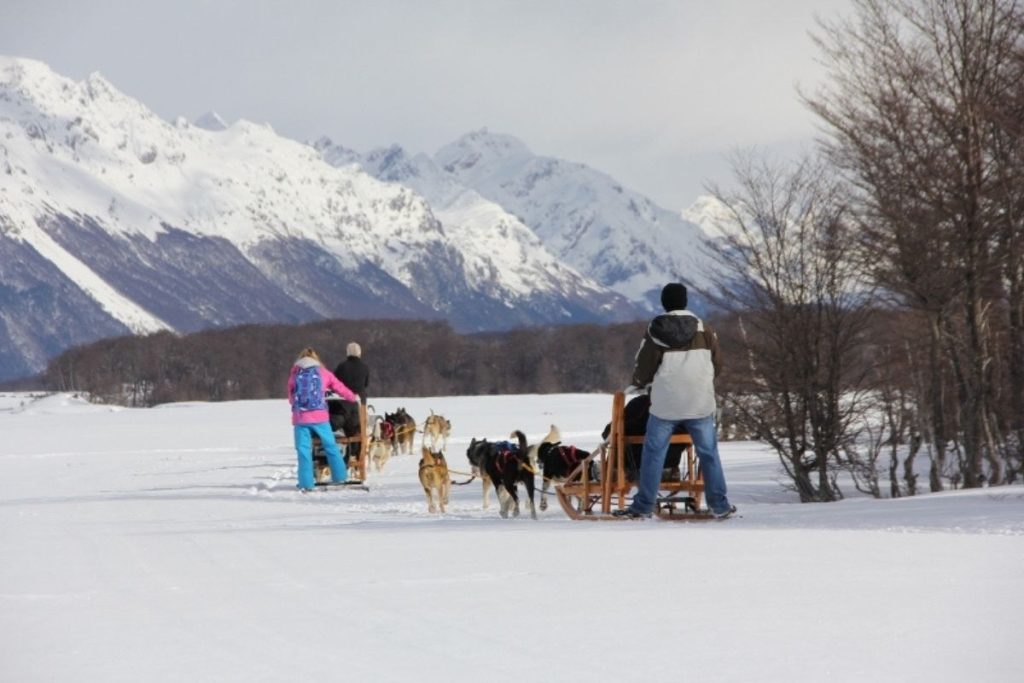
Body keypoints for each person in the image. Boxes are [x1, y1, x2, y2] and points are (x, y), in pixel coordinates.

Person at [613, 283, 736, 519]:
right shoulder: (704, 329)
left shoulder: (655, 330)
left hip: (665, 405)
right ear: (685, 301)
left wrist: (641, 382)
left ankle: (644, 506)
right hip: (699, 402)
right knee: (708, 452)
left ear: (664, 303)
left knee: (653, 452)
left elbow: (643, 368)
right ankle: (719, 505)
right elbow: (718, 364)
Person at [287, 347, 358, 490]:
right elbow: (339, 387)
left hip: (301, 419)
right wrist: (352, 397)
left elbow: (290, 398)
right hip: (320, 417)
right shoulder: (323, 373)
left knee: (303, 450)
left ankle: (306, 483)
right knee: (331, 446)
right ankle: (340, 476)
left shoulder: (295, 374)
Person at [329, 342, 370, 463]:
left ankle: (339, 455)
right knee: (357, 430)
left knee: (339, 429)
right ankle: (357, 455)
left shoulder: (342, 366)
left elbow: (334, 383)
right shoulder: (365, 367)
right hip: (359, 405)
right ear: (359, 353)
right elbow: (366, 384)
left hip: (342, 406)